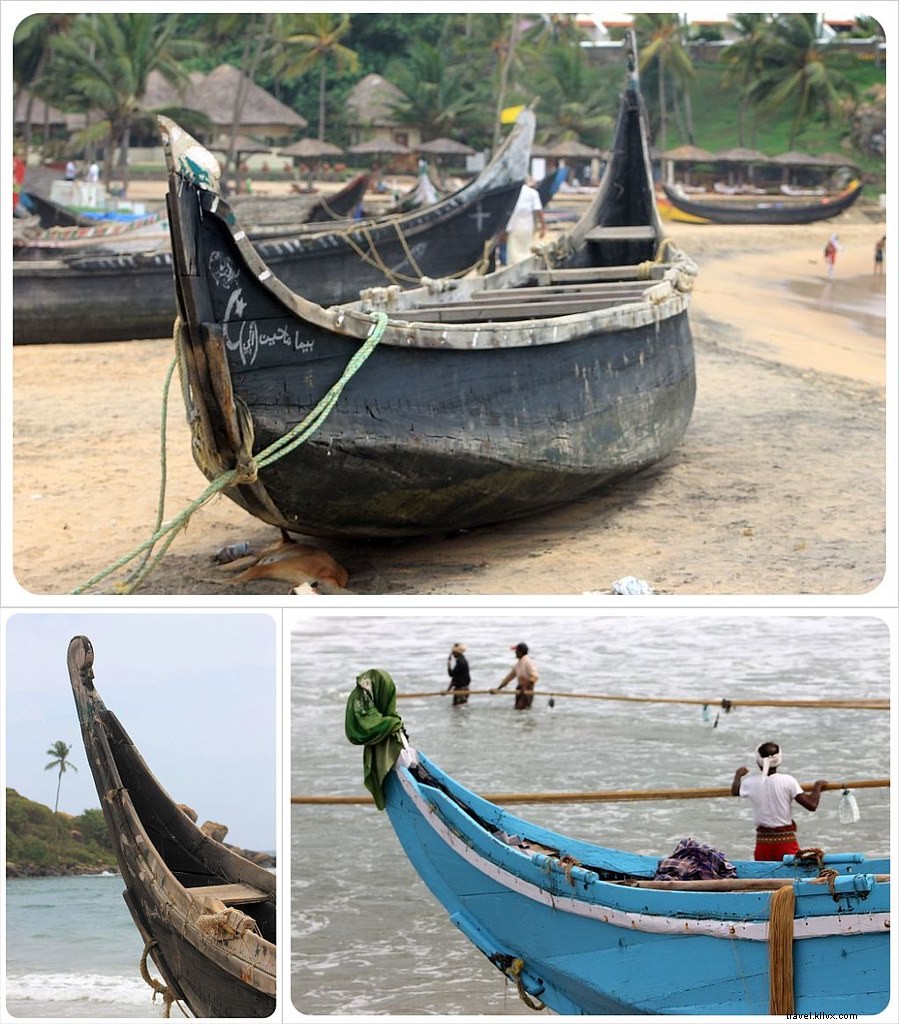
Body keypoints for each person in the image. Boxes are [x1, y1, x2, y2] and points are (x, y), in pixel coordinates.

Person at [731, 742, 827, 861]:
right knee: (792, 874)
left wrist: (738, 775)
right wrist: (818, 786)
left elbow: (735, 791)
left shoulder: (750, 783)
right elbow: (811, 805)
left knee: (764, 876)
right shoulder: (787, 780)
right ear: (779, 760)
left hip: (763, 844)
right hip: (785, 843)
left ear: (758, 761)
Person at [502, 179, 546, 265]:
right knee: (525, 250)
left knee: (513, 252)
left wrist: (503, 230)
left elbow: (506, 212)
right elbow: (539, 211)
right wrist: (543, 227)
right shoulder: (532, 193)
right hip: (527, 226)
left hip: (513, 225)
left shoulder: (511, 193)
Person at [492, 642, 539, 709]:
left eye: (516, 651)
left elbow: (535, 676)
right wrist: (498, 689)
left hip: (527, 689)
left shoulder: (528, 662)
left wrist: (526, 686)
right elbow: (509, 677)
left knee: (522, 709)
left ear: (520, 652)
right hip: (520, 689)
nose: (515, 652)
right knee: (518, 709)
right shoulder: (518, 664)